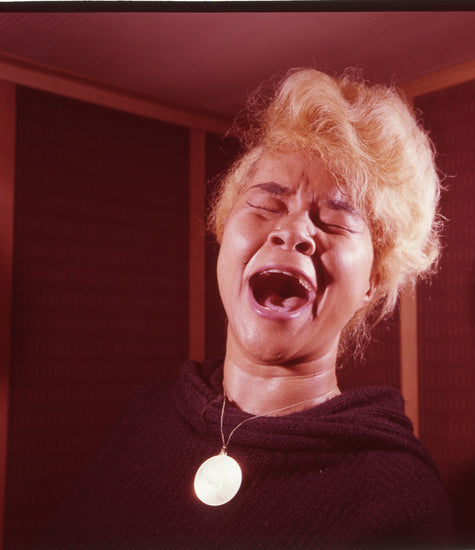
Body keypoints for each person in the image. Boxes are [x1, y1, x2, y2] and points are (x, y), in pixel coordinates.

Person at [38, 68, 451, 549]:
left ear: (373, 281)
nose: (293, 231)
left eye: (335, 222)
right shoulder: (145, 414)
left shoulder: (395, 497)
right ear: (222, 229)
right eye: (268, 205)